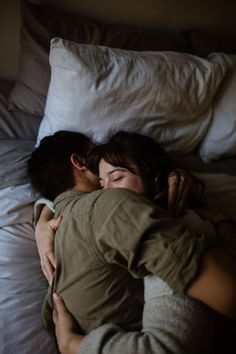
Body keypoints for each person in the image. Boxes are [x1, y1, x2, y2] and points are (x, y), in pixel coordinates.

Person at [28, 131, 236, 341]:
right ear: (79, 162)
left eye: (117, 177)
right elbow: (228, 292)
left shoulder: (56, 240)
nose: (100, 157)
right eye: (94, 151)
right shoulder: (109, 206)